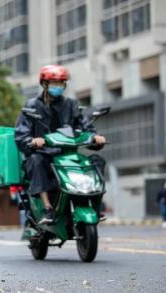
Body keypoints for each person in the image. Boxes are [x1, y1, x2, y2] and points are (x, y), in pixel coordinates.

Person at [14, 65, 107, 224]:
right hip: (44, 155)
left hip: (68, 155)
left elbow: (84, 126)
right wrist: (32, 141)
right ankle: (48, 208)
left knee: (96, 161)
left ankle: (96, 205)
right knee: (36, 161)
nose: (58, 87)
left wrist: (95, 137)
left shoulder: (71, 105)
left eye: (61, 83)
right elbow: (21, 133)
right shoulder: (31, 106)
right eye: (54, 83)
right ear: (44, 83)